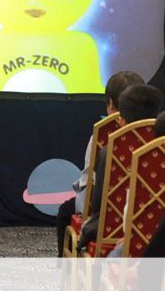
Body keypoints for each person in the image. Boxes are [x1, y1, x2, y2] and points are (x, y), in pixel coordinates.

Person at [56, 70, 144, 256]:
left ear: (110, 104)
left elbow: (89, 184)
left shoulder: (102, 136)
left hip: (104, 219)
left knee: (66, 211)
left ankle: (65, 268)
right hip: (145, 218)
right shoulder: (158, 134)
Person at [78, 83, 163, 250]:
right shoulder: (160, 150)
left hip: (113, 230)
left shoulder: (108, 152)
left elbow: (97, 205)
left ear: (121, 119)